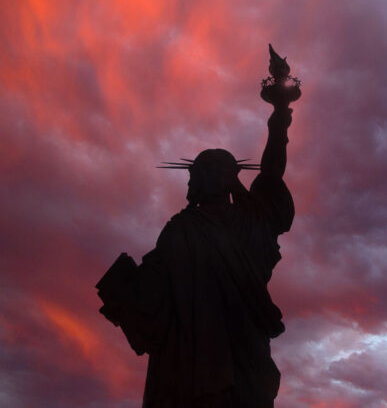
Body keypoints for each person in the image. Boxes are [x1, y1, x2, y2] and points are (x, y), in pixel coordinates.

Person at [97, 103, 294, 407]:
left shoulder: (248, 221)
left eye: (200, 173)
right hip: (195, 361)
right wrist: (125, 288)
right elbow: (155, 296)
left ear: (219, 178)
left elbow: (271, 174)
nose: (194, 180)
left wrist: (280, 115)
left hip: (231, 357)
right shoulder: (183, 229)